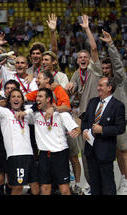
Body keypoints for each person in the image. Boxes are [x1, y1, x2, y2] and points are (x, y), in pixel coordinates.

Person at [0, 72, 40, 195]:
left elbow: (39, 104)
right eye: (13, 96)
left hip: (29, 155)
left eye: (18, 96)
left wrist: (27, 111)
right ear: (9, 99)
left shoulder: (27, 115)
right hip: (16, 156)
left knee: (35, 187)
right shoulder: (5, 113)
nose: (16, 99)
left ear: (22, 99)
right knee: (17, 188)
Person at [65, 15, 103, 194]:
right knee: (86, 155)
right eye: (79, 57)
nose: (82, 58)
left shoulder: (94, 70)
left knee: (99, 154)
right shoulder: (74, 74)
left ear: (89, 59)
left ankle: (103, 184)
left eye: (85, 56)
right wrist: (70, 88)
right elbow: (72, 95)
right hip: (82, 119)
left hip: (97, 117)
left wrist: (87, 28)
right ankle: (91, 186)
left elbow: (94, 48)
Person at [25, 88, 81, 195]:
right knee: (45, 188)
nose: (37, 99)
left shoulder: (61, 114)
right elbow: (22, 112)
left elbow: (76, 128)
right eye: (37, 96)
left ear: (48, 99)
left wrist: (76, 131)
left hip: (60, 153)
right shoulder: (35, 115)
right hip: (44, 155)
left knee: (64, 189)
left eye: (40, 96)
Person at [82, 77, 126, 195]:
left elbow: (120, 128)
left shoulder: (118, 105)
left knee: (107, 185)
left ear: (109, 88)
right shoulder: (92, 102)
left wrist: (103, 130)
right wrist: (85, 130)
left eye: (101, 86)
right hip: (91, 150)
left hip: (105, 151)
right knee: (94, 184)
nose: (98, 88)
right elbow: (85, 120)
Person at [99, 30, 127, 193]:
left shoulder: (120, 81)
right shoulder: (101, 84)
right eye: (103, 68)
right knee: (116, 153)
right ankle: (122, 178)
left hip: (121, 121)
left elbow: (117, 63)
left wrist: (110, 45)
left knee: (123, 152)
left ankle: (126, 182)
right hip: (107, 124)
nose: (105, 70)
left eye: (107, 67)